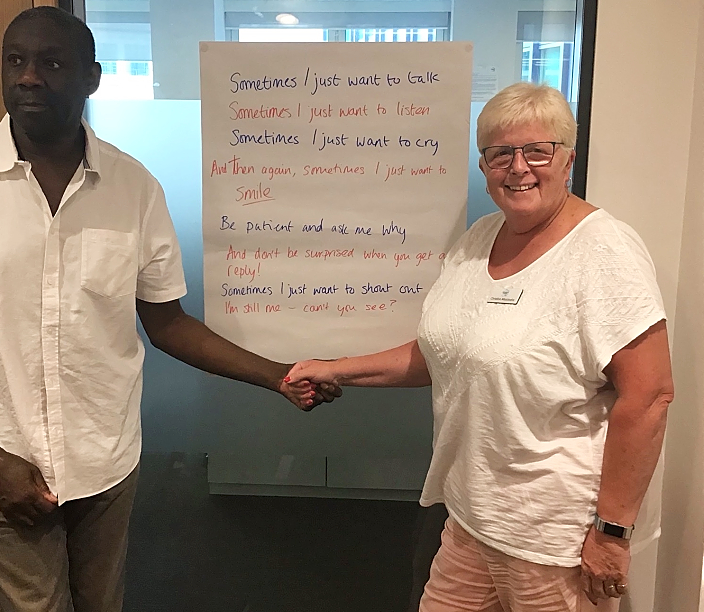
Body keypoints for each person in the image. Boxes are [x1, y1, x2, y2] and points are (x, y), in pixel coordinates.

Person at [0, 7, 338, 612]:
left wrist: (276, 376)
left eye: (51, 63)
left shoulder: (135, 187)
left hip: (106, 460)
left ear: (93, 77)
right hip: (1, 461)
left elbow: (167, 322)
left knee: (102, 602)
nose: (29, 77)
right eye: (16, 61)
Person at [286, 82, 673, 612]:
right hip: (472, 515)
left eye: (538, 150)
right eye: (500, 154)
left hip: (552, 538)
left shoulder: (604, 250)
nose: (519, 167)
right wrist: (337, 369)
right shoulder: (479, 237)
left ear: (568, 159)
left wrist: (612, 532)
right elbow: (443, 353)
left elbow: (649, 396)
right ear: (485, 164)